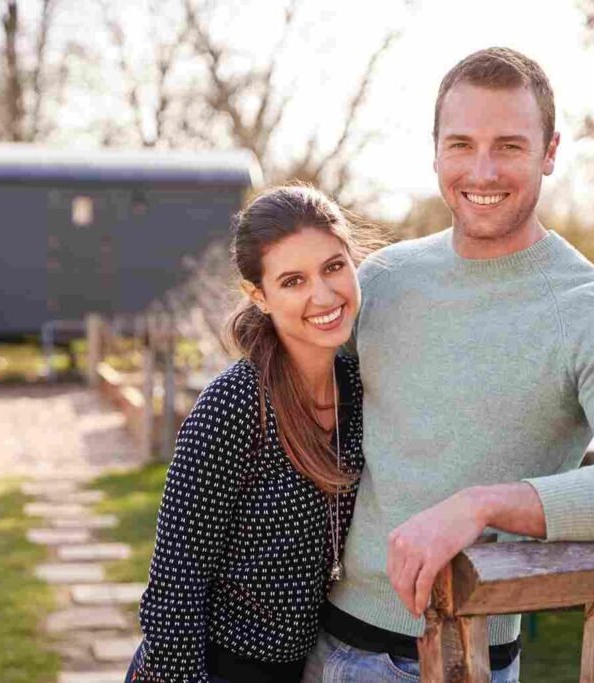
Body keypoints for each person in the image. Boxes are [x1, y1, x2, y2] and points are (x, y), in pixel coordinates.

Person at [304, 46, 594, 683]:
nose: (482, 171)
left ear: (549, 152)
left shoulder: (587, 308)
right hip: (319, 644)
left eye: (510, 146)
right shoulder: (382, 280)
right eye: (461, 144)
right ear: (435, 151)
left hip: (463, 660)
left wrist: (481, 505)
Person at [125, 185, 384, 682]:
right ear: (259, 296)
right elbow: (175, 585)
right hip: (207, 669)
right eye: (293, 281)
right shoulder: (234, 405)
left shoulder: (361, 388)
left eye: (333, 267)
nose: (323, 295)